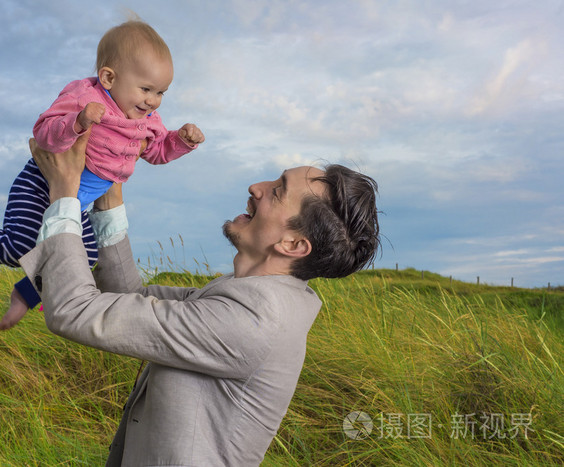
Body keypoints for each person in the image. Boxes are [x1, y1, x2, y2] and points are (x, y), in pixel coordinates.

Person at [19, 130, 380, 465]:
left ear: (293, 245)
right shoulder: (247, 296)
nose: (256, 187)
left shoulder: (254, 321)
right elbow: (130, 297)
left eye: (278, 191)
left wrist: (64, 195)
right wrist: (110, 192)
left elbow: (74, 311)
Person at [0, 20, 204, 330]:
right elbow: (43, 133)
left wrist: (181, 141)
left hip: (76, 202)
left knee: (84, 255)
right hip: (40, 183)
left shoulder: (147, 119)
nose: (153, 100)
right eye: (146, 89)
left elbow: (156, 152)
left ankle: (24, 295)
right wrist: (77, 122)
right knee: (20, 247)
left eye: (161, 92)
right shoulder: (85, 97)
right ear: (108, 77)